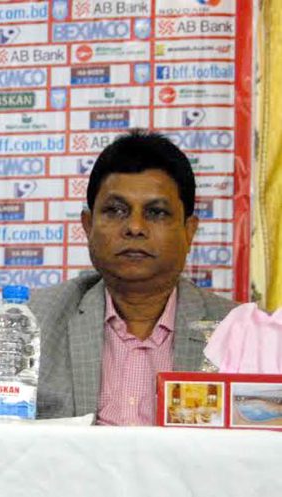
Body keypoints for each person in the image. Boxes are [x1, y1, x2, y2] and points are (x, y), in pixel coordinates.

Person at [30, 130, 238, 425]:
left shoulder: (233, 330)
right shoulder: (37, 320)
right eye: (116, 210)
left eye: (156, 212)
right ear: (88, 226)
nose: (135, 227)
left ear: (189, 231)